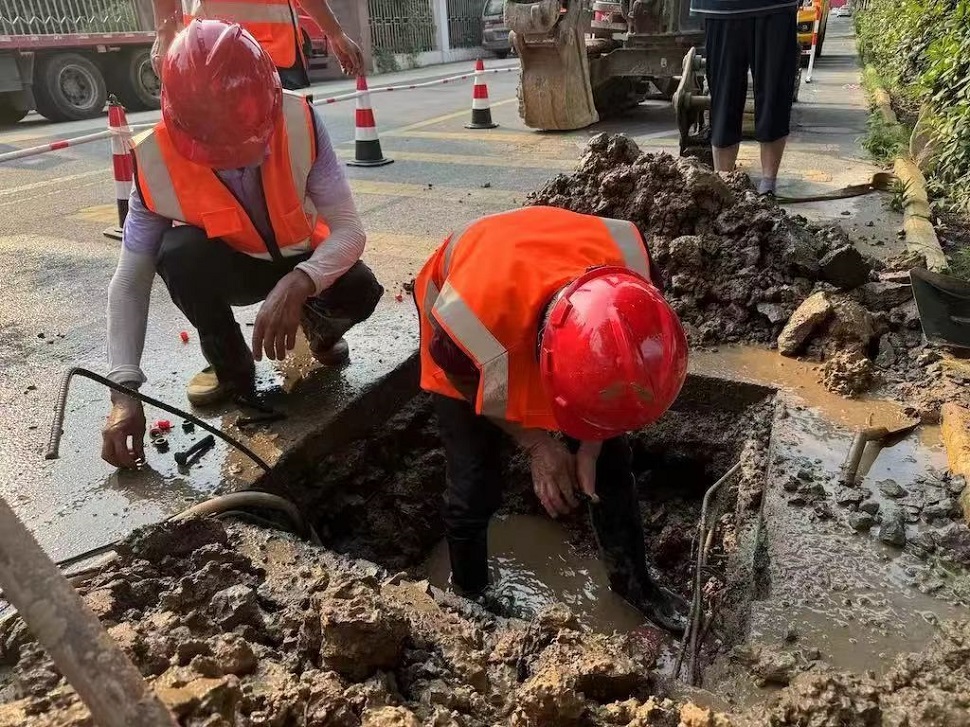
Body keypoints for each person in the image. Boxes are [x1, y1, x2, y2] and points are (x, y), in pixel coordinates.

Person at [101, 20, 382, 469]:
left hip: (300, 257)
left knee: (360, 288)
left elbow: (349, 229)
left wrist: (301, 283)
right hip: (234, 266)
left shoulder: (299, 120)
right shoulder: (155, 160)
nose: (246, 155)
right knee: (176, 255)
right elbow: (130, 282)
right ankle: (232, 370)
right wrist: (124, 393)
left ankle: (318, 328)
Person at [414, 206, 690, 632]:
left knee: (612, 467)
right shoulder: (468, 324)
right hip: (465, 337)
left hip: (552, 289)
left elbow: (620, 392)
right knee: (473, 484)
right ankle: (469, 595)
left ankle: (635, 585)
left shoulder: (636, 280)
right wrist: (538, 444)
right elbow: (464, 379)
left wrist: (594, 444)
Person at [690, 0, 799, 195]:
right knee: (724, 98)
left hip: (776, 8)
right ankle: (724, 184)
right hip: (720, 7)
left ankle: (768, 184)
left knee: (774, 92)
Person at [150, 0, 364, 88]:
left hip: (207, 59)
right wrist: (335, 34)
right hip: (274, 61)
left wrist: (164, 30)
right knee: (289, 159)